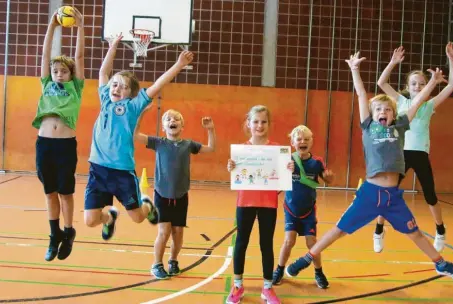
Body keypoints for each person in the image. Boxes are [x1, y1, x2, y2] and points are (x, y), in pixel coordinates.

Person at [285, 52, 453, 283]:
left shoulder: (401, 126)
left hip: (392, 197)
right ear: (373, 114)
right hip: (370, 193)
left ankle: (440, 263)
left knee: (415, 233)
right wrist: (354, 69)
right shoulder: (368, 127)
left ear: (394, 114)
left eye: (388, 109)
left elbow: (419, 101)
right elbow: (361, 93)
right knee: (339, 230)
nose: (384, 112)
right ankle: (308, 257)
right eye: (379, 109)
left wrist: (432, 82)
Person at [83, 32, 194, 242]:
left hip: (122, 173)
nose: (116, 88)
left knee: (137, 218)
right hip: (98, 169)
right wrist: (113, 45)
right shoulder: (105, 99)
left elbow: (157, 85)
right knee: (90, 219)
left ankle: (146, 206)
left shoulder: (133, 107)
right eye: (115, 84)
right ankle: (109, 219)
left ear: (131, 93)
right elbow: (103, 71)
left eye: (123, 86)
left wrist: (178, 65)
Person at [374, 43, 453, 253]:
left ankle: (440, 230)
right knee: (387, 192)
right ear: (408, 85)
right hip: (400, 154)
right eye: (414, 83)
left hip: (420, 154)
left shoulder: (430, 105)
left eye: (422, 83)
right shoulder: (400, 101)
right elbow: (381, 82)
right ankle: (378, 230)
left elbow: (452, 85)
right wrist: (393, 63)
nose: (418, 87)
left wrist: (452, 61)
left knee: (430, 195)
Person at [134, 109, 216, 279]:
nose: (172, 121)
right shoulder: (158, 142)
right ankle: (157, 264)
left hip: (181, 196)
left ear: (182, 125)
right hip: (162, 195)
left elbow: (211, 148)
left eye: (176, 119)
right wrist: (140, 113)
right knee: (164, 232)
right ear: (164, 126)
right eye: (168, 119)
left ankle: (173, 260)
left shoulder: (188, 145)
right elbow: (135, 135)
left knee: (178, 232)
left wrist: (210, 129)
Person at [225, 105, 294, 304]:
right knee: (241, 243)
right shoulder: (241, 151)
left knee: (266, 245)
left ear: (269, 124)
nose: (259, 125)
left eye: (263, 121)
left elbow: (281, 181)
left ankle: (267, 288)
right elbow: (237, 176)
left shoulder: (277, 150)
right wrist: (231, 167)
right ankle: (237, 285)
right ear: (249, 123)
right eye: (255, 121)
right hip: (245, 202)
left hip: (268, 204)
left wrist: (287, 169)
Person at [33, 8, 85, 261]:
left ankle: (68, 230)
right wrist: (52, 25)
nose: (59, 74)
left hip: (65, 145)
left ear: (71, 74)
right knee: (49, 192)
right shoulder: (46, 84)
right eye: (56, 71)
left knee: (66, 192)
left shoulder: (75, 87)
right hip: (44, 144)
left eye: (64, 71)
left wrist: (81, 26)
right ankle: (54, 236)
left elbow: (78, 55)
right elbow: (45, 54)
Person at [272, 125, 334, 289]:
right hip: (291, 210)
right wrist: (285, 169)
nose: (303, 142)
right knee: (288, 241)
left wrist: (329, 177)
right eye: (299, 139)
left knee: (312, 243)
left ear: (312, 142)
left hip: (308, 211)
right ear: (292, 142)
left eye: (306, 139)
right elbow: (275, 177)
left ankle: (319, 272)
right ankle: (279, 270)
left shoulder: (317, 162)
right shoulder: (288, 160)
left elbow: (328, 180)